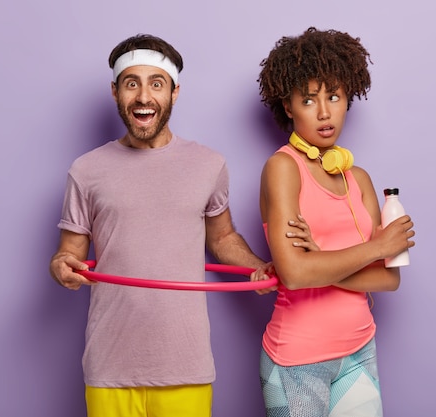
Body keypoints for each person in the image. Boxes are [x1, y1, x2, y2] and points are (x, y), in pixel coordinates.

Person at [49, 34, 279, 417]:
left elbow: (222, 237)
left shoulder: (209, 165)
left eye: (156, 84)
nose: (143, 97)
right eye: (131, 83)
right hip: (110, 365)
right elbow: (69, 254)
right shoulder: (85, 170)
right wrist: (62, 267)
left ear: (174, 92)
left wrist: (257, 266)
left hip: (184, 363)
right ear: (115, 91)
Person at [254, 27, 416, 416]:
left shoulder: (357, 178)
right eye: (309, 100)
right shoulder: (282, 169)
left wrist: (321, 261)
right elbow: (294, 275)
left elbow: (388, 278)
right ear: (289, 106)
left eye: (334, 96)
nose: (324, 112)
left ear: (347, 99)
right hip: (298, 360)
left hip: (360, 349)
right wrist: (376, 248)